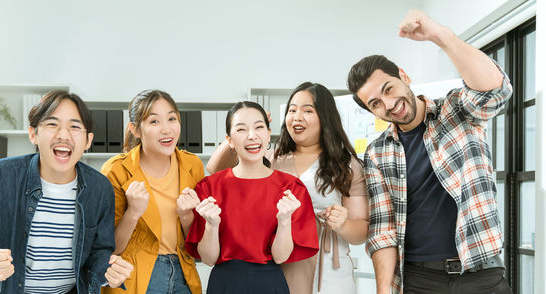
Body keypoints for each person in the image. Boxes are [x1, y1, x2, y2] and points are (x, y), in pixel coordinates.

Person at [346, 9, 513, 294]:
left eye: (388, 89)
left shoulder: (457, 111)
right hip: (419, 280)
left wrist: (439, 35)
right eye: (375, 103)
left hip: (481, 273)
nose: (388, 104)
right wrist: (384, 289)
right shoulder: (377, 154)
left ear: (403, 76)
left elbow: (495, 92)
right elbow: (383, 230)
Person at [0, 90, 133, 294]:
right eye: (52, 124)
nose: (63, 135)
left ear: (88, 140)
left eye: (75, 127)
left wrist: (109, 269)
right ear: (33, 134)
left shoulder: (100, 187)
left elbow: (99, 251)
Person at [207, 83, 369, 294]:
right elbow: (216, 168)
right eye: (292, 110)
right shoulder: (271, 158)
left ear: (326, 117)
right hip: (279, 267)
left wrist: (343, 224)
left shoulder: (347, 166)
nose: (297, 117)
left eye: (307, 110)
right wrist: (249, 125)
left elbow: (362, 231)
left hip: (329, 272)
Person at [185, 101, 319, 294]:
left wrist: (284, 221)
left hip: (270, 282)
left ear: (268, 133)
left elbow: (280, 257)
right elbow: (209, 259)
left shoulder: (291, 188)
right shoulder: (209, 187)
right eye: (241, 129)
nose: (252, 136)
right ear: (229, 140)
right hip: (224, 283)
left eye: (259, 127)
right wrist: (212, 225)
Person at [100, 89, 204, 294]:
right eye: (154, 122)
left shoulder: (192, 165)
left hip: (184, 273)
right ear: (135, 130)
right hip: (135, 276)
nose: (167, 129)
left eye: (172, 119)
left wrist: (187, 217)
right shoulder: (116, 170)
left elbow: (198, 244)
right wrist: (132, 213)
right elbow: (110, 248)